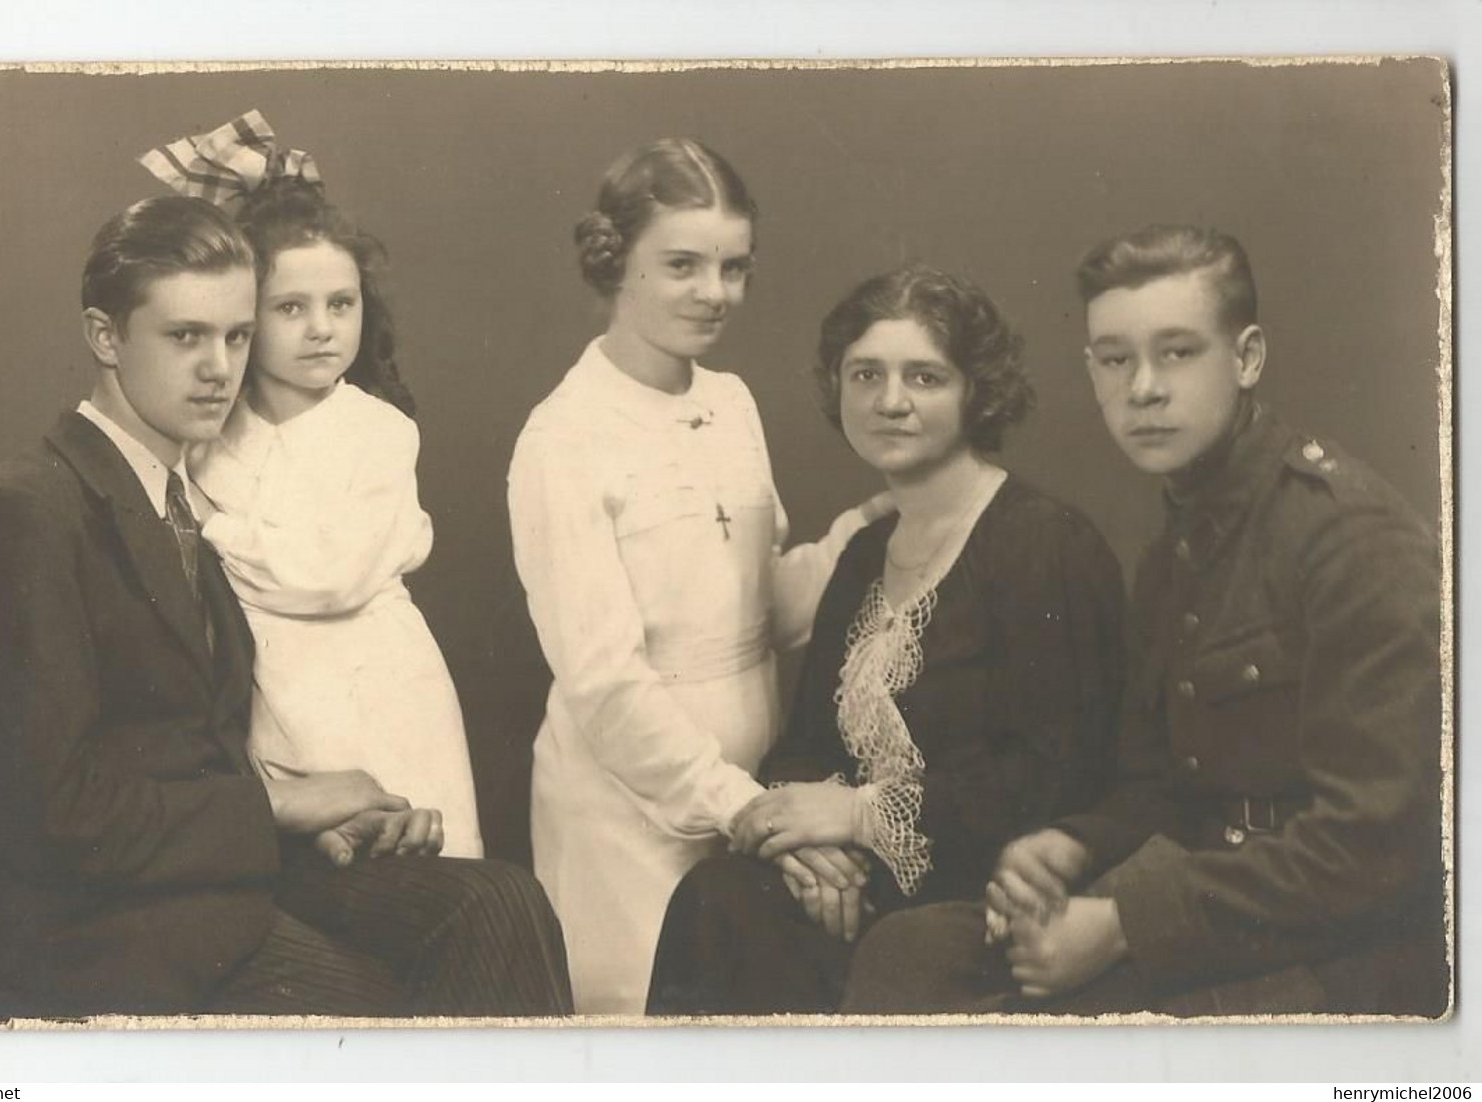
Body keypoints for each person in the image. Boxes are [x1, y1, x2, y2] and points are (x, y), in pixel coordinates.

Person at [0, 192, 570, 1019]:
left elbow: (194, 739)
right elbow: (51, 813)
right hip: (110, 935)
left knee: (501, 904)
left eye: (237, 336)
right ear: (105, 337)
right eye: (184, 336)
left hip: (217, 879)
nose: (220, 367)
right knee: (392, 1011)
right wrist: (278, 805)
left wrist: (311, 823)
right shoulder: (25, 509)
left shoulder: (182, 492)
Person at [839, 225, 1446, 1017]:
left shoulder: (1347, 536)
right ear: (1091, 370)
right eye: (1115, 359)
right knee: (910, 953)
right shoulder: (1174, 555)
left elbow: (1380, 845)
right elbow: (1164, 786)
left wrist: (1125, 921)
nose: (1143, 388)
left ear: (1247, 358)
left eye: (1177, 352)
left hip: (1340, 953)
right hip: (1210, 908)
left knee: (1015, 1026)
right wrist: (1072, 846)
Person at [645, 265, 1126, 1015]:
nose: (889, 401)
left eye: (924, 377)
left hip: (993, 896)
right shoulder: (866, 553)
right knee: (721, 897)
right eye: (865, 374)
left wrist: (862, 816)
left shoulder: (1043, 546)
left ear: (977, 392)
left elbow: (1060, 778)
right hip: (860, 885)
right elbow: (802, 750)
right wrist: (812, 849)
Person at [506, 138, 890, 1014]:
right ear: (615, 264)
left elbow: (765, 610)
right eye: (681, 264)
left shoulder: (730, 402)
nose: (714, 293)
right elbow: (604, 685)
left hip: (756, 803)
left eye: (733, 268)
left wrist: (867, 530)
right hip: (626, 824)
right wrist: (750, 812)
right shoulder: (563, 439)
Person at [146, 112, 484, 859]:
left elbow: (325, 578)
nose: (322, 328)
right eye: (290, 308)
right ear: (244, 316)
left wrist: (212, 527)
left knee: (417, 868)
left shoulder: (379, 434)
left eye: (342, 304)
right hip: (270, 693)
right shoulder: (211, 434)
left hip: (377, 691)